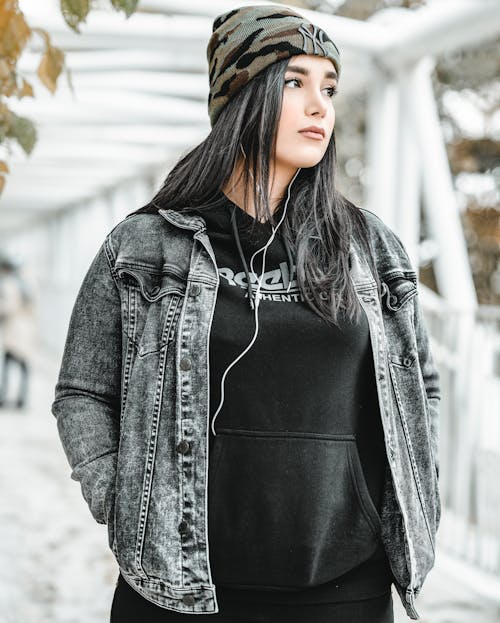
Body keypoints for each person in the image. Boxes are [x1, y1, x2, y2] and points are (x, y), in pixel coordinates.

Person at [51, 5, 441, 623]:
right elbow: (82, 391)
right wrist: (122, 499)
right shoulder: (147, 245)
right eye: (295, 82)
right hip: (179, 589)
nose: (321, 106)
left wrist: (404, 491)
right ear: (242, 98)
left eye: (329, 88)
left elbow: (419, 381)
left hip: (344, 588)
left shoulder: (369, 247)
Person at [0, 255, 34, 410]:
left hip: (14, 329)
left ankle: (4, 395)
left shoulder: (11, 285)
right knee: (24, 365)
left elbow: (8, 307)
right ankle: (21, 398)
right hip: (26, 329)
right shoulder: (29, 285)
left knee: (8, 362)